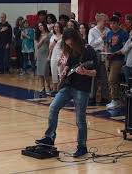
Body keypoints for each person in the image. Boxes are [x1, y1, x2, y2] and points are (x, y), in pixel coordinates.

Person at [35, 28, 97, 157]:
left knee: (80, 119)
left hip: (81, 88)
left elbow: (96, 72)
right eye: (67, 44)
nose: (69, 46)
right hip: (68, 85)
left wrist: (85, 72)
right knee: (53, 107)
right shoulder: (71, 49)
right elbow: (69, 64)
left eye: (71, 44)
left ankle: (82, 146)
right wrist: (65, 70)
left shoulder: (89, 50)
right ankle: (49, 137)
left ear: (76, 40)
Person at [105, 16, 129, 109]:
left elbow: (125, 48)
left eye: (114, 23)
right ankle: (115, 99)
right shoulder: (109, 33)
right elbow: (107, 44)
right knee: (111, 80)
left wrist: (117, 52)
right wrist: (107, 52)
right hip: (110, 58)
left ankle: (115, 99)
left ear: (118, 23)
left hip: (119, 59)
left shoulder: (123, 34)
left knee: (112, 78)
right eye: (111, 23)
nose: (112, 25)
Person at [88, 13, 110, 105]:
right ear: (99, 21)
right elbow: (91, 44)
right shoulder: (92, 31)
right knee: (94, 77)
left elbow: (109, 43)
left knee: (104, 77)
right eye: (104, 21)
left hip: (105, 54)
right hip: (95, 54)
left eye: (106, 21)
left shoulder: (108, 30)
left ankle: (105, 98)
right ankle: (92, 97)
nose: (105, 23)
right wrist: (101, 38)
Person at [35, 22, 52, 95]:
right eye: (39, 26)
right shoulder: (38, 35)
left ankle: (48, 86)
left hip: (46, 54)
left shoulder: (50, 34)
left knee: (45, 72)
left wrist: (50, 55)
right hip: (40, 54)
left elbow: (51, 46)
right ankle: (42, 87)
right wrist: (42, 39)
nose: (40, 27)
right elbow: (37, 46)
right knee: (40, 73)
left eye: (41, 25)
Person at [48, 22, 63, 96]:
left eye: (58, 27)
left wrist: (61, 58)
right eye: (55, 27)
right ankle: (54, 89)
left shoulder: (63, 36)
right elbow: (50, 47)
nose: (56, 28)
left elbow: (65, 49)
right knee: (53, 72)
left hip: (61, 56)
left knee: (61, 73)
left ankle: (61, 89)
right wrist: (56, 40)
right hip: (53, 56)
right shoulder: (52, 36)